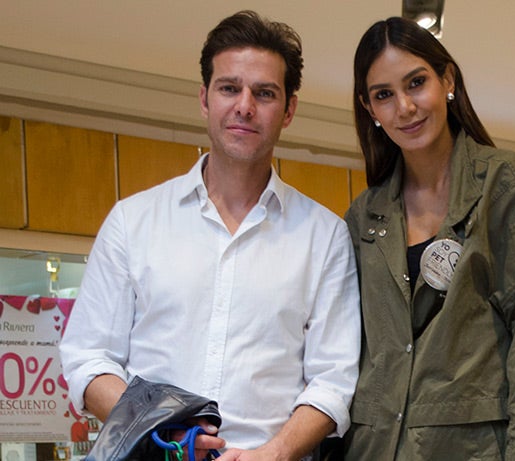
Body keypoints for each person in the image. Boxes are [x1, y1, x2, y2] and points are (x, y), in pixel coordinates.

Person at [59, 10, 360, 461]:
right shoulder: (132, 221)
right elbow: (88, 357)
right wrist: (159, 433)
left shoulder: (325, 236)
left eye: (264, 93)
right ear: (204, 98)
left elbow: (333, 381)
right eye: (229, 88)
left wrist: (275, 453)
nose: (245, 106)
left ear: (289, 110)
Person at [343, 17, 515, 460]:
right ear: (369, 109)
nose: (405, 107)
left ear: (448, 80)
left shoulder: (506, 183)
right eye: (384, 95)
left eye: (416, 83)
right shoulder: (364, 215)